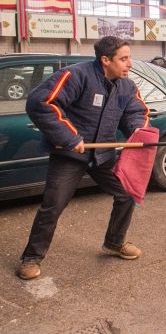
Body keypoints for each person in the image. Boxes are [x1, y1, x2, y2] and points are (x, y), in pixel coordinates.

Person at [17, 36, 150, 280]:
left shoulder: (127, 86)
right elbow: (40, 103)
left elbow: (136, 112)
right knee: (53, 205)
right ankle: (31, 257)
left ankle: (114, 242)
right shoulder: (76, 75)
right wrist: (69, 137)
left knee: (127, 194)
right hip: (70, 155)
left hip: (102, 155)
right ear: (105, 60)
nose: (129, 63)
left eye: (129, 57)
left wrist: (137, 131)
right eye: (124, 58)